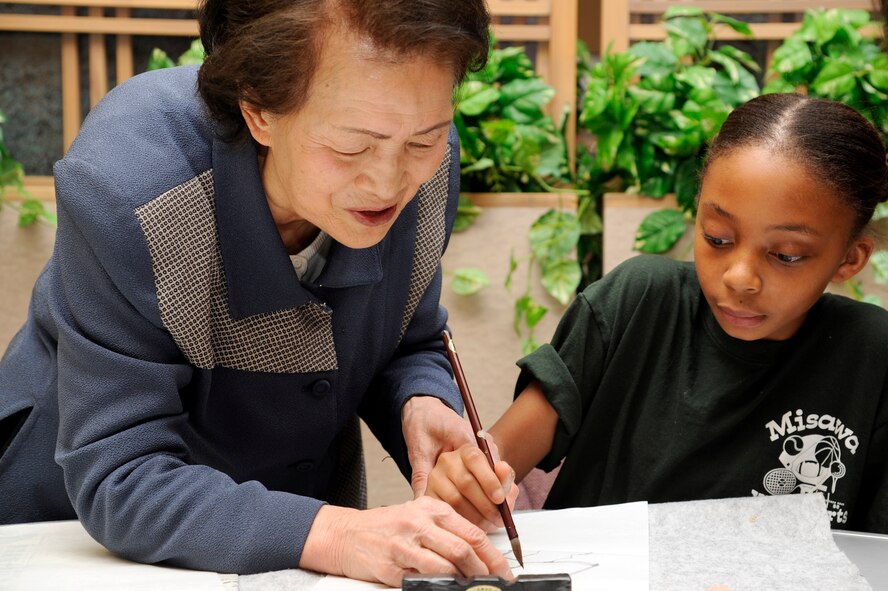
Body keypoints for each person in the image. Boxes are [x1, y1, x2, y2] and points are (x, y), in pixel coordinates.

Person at [0, 0, 513, 585]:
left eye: (425, 141)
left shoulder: (428, 165)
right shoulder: (130, 184)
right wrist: (338, 533)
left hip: (282, 550)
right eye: (352, 147)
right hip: (69, 542)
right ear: (259, 110)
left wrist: (421, 404)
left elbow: (407, 336)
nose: (389, 180)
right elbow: (123, 473)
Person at [425, 93, 888, 535]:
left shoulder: (872, 355)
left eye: (786, 255)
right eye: (718, 238)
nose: (739, 277)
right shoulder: (638, 302)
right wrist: (469, 477)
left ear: (849, 259)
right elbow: (499, 457)